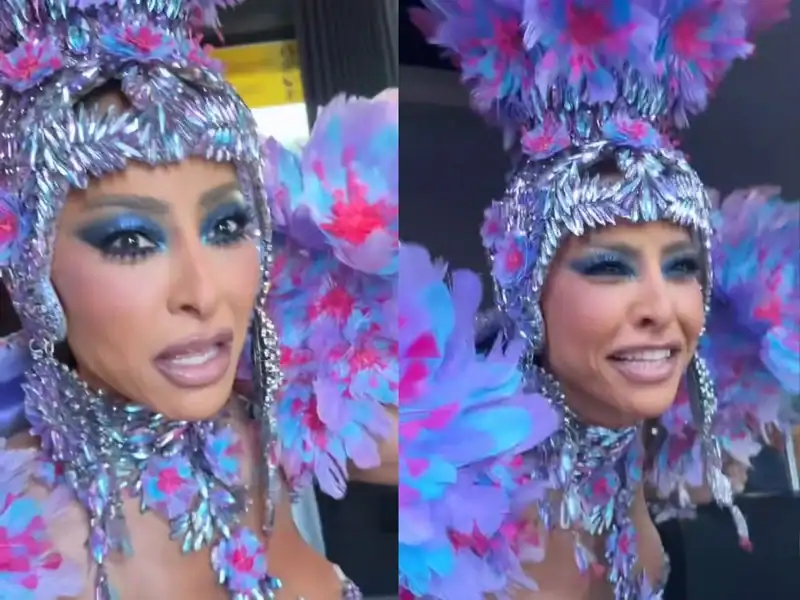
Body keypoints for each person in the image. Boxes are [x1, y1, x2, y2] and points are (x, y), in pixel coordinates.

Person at [399, 1, 797, 599]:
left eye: (682, 267)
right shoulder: (450, 485)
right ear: (526, 288)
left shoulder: (640, 431)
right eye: (611, 268)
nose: (662, 308)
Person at [0, 1, 397, 599]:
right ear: (31, 266)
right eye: (130, 241)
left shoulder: (258, 434)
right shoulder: (22, 537)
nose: (203, 293)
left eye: (226, 227)